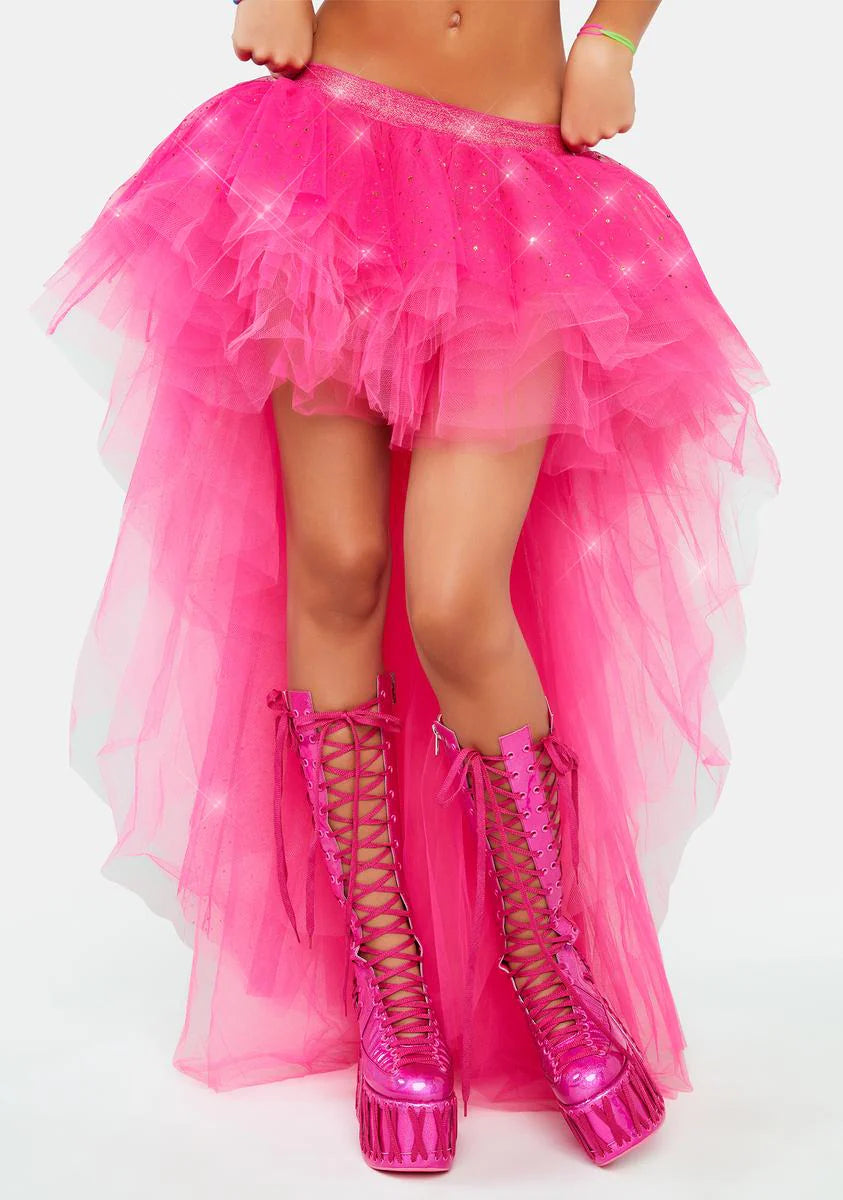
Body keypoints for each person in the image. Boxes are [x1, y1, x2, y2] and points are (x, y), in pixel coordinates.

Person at [30, 0, 779, 1175]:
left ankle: (552, 971)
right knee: (339, 563)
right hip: (333, 150)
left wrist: (616, 37)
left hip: (520, 185)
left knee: (456, 596)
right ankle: (393, 984)